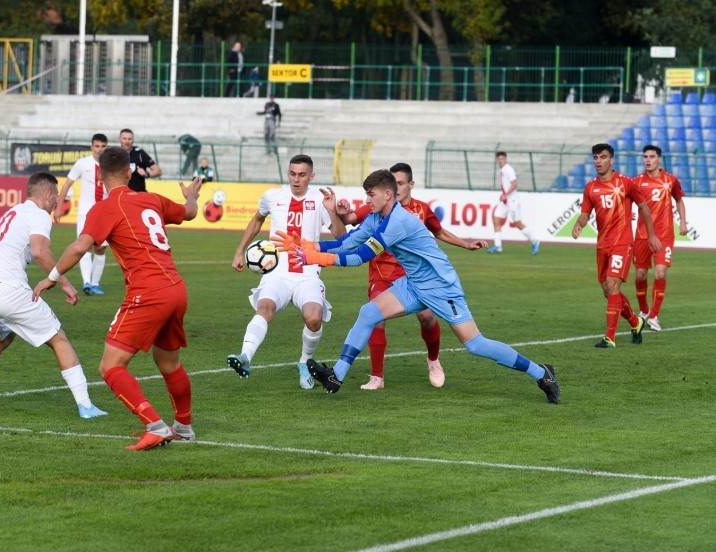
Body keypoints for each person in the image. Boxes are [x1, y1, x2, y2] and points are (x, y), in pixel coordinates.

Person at [276, 169, 559, 403]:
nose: (367, 200)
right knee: (368, 313)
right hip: (413, 283)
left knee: (475, 345)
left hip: (440, 286)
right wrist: (304, 244)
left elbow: (362, 256)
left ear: (388, 194)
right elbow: (345, 243)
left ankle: (541, 372)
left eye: (371, 195)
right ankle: (336, 375)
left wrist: (315, 258)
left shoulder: (398, 221)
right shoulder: (376, 216)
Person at [34, 147, 203, 451]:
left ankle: (156, 426)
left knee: (110, 366)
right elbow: (189, 212)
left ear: (99, 175)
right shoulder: (151, 199)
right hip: (176, 287)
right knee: (168, 362)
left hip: (148, 291)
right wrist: (191, 195)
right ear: (129, 172)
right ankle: (184, 428)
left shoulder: (105, 207)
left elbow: (79, 247)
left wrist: (52, 277)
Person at [0, 172, 107, 419]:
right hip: (6, 290)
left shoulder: (12, 212)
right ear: (48, 194)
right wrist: (63, 282)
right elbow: (41, 252)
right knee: (59, 339)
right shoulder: (39, 215)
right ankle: (86, 406)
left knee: (2, 337)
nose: (57, 203)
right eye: (56, 198)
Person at [337, 163, 487, 391]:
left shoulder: (420, 210)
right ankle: (377, 376)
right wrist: (338, 210)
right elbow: (349, 223)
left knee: (427, 318)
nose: (396, 188)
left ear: (410, 185)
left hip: (413, 273)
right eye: (393, 183)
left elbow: (439, 232)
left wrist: (465, 244)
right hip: (382, 272)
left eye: (400, 183)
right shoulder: (375, 209)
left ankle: (434, 360)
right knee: (374, 316)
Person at [227, 154, 346, 389]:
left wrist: (333, 211)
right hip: (276, 272)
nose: (296, 179)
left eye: (302, 175)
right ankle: (245, 356)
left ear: (311, 176)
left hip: (308, 273)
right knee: (265, 307)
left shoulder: (320, 201)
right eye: (292, 173)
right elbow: (257, 219)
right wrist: (239, 250)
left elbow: (342, 237)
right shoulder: (273, 196)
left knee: (313, 318)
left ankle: (304, 362)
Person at [572, 143, 662, 348]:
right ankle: (635, 321)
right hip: (602, 245)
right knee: (607, 290)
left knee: (613, 285)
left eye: (603, 157)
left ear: (611, 160)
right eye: (596, 158)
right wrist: (578, 224)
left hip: (622, 243)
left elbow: (644, 207)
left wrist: (651, 235)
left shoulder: (625, 183)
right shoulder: (591, 187)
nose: (598, 161)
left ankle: (609, 337)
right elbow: (585, 215)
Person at [632, 144, 688, 331]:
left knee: (661, 272)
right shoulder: (637, 182)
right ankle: (645, 310)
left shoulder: (670, 180)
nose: (648, 160)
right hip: (642, 235)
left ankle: (654, 316)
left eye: (652, 156)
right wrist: (627, 213)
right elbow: (625, 200)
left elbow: (679, 199)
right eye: (645, 157)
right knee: (640, 274)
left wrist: (683, 221)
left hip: (664, 235)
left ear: (659, 159)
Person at [55, 133, 109, 296]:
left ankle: (95, 284)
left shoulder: (110, 165)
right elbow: (66, 185)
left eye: (102, 146)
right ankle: (86, 282)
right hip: (86, 212)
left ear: (106, 147)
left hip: (105, 212)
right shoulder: (82, 163)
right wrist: (58, 207)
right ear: (92, 147)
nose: (99, 149)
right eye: (97, 146)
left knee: (100, 248)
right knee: (84, 247)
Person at [487, 152, 540, 255]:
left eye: (502, 158)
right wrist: (504, 195)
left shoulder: (508, 169)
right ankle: (498, 246)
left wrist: (506, 194)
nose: (500, 160)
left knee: (518, 224)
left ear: (505, 159)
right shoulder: (502, 170)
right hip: (505, 201)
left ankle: (534, 241)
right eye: (499, 159)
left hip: (512, 201)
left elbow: (515, 183)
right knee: (496, 219)